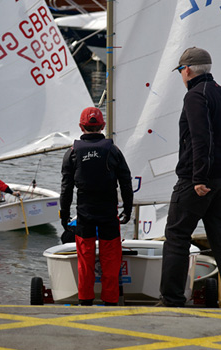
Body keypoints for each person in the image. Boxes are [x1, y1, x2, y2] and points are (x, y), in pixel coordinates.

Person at [158, 47, 221, 308]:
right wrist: (219, 165)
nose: (181, 75)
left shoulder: (195, 97)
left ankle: (172, 299)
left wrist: (200, 177)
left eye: (180, 71)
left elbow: (201, 137)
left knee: (177, 235)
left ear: (186, 70)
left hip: (197, 179)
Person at [60, 106, 133, 306]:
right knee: (110, 261)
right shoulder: (113, 151)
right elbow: (126, 182)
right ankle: (110, 302)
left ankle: (85, 301)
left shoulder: (72, 153)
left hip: (85, 214)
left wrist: (64, 214)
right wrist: (128, 208)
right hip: (109, 214)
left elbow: (66, 188)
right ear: (102, 126)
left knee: (86, 261)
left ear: (81, 126)